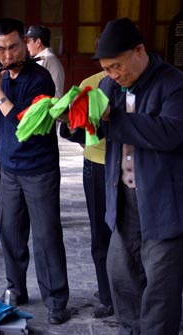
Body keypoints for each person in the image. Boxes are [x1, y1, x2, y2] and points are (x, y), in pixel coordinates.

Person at [0, 18, 70, 324]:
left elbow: (24, 124)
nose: (7, 54)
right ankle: (15, 289)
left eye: (13, 47)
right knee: (10, 233)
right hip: (10, 168)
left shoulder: (40, 79)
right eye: (0, 48)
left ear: (24, 43)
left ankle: (56, 300)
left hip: (39, 168)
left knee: (46, 236)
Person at [94, 17, 183, 334]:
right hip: (123, 201)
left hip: (162, 203)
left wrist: (111, 117)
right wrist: (73, 120)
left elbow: (171, 132)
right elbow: (97, 131)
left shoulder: (174, 83)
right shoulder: (109, 86)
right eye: (107, 69)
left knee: (160, 290)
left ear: (139, 50)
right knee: (122, 279)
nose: (113, 75)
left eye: (116, 66)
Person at [59, 69, 113, 319]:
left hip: (130, 168)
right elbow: (79, 131)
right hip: (97, 165)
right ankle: (107, 295)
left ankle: (124, 292)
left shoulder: (138, 83)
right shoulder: (90, 83)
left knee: (127, 233)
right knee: (100, 232)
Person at [25, 25, 65, 98]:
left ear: (38, 42)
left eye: (28, 42)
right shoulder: (47, 58)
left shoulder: (46, 59)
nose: (27, 45)